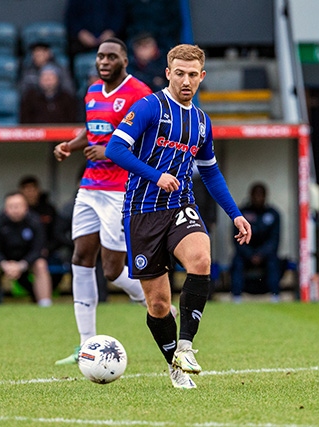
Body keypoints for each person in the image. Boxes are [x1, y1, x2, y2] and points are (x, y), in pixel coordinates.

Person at [105, 44, 252, 389]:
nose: (186, 81)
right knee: (158, 303)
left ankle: (186, 346)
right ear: (169, 73)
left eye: (192, 75)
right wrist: (155, 175)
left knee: (201, 259)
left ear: (201, 77)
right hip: (141, 211)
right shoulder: (148, 107)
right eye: (180, 74)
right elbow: (114, 148)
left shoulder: (201, 121)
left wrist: (235, 214)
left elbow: (211, 173)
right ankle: (174, 363)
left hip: (180, 204)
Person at [52, 38, 151, 365]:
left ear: (125, 59)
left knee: (111, 270)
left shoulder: (139, 93)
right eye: (100, 56)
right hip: (90, 186)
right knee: (80, 257)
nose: (104, 61)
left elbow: (148, 138)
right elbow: (92, 132)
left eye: (112, 56)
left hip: (120, 188)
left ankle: (150, 297)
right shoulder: (93, 91)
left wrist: (110, 149)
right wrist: (72, 144)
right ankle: (85, 345)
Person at [0, 192, 52, 308]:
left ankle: (45, 303)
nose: (15, 210)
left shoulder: (35, 221)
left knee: (41, 264)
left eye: (18, 206)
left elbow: (38, 249)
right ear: (5, 209)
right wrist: (5, 264)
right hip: (5, 261)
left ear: (25, 207)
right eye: (11, 206)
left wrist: (21, 265)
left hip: (28, 261)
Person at [230, 183, 281, 302]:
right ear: (251, 196)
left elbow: (274, 240)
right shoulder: (241, 214)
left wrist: (261, 254)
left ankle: (275, 296)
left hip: (265, 254)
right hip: (246, 253)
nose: (258, 198)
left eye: (261, 195)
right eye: (255, 195)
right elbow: (236, 239)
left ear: (265, 196)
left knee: (274, 262)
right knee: (236, 261)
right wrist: (250, 254)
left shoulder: (273, 214)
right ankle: (236, 297)